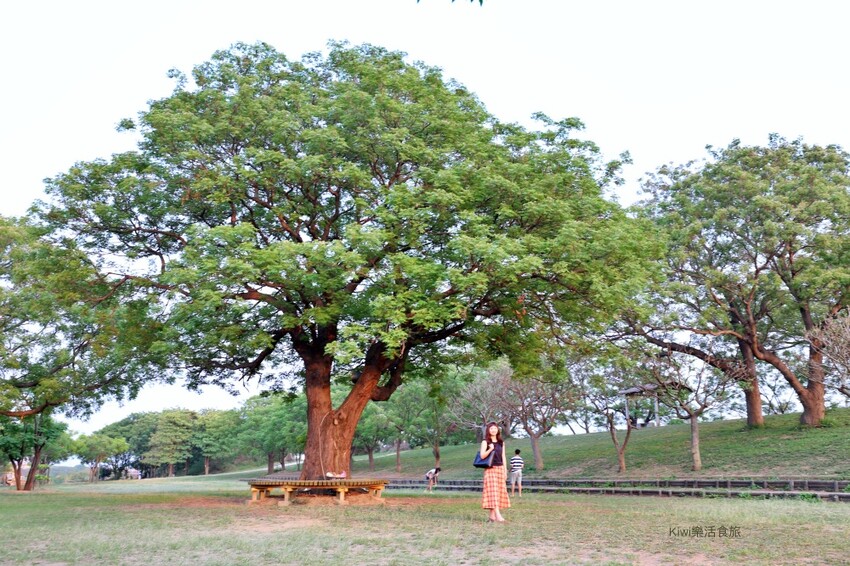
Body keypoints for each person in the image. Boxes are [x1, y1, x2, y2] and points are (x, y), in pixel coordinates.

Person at [480, 421, 510, 522]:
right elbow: (482, 456)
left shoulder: (501, 442)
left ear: (498, 430)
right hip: (490, 469)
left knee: (497, 492)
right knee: (493, 492)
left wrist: (505, 470)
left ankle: (491, 517)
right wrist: (490, 449)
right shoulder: (485, 442)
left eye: (495, 428)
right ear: (488, 430)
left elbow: (503, 457)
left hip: (500, 468)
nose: (493, 430)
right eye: (491, 428)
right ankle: (498, 515)